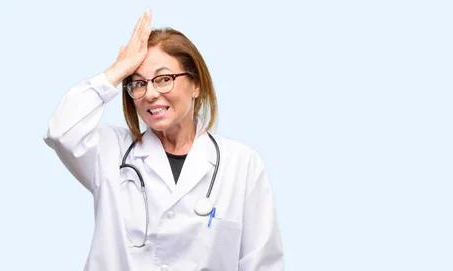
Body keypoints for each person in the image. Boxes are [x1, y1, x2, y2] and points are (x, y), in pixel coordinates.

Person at [43, 8, 284, 271]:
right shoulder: (111, 152)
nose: (150, 94)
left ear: (196, 85)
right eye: (138, 83)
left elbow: (262, 263)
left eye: (164, 79)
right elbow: (62, 131)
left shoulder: (242, 164)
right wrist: (118, 70)